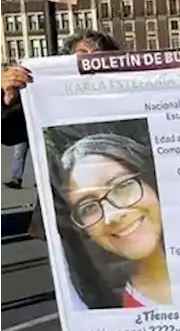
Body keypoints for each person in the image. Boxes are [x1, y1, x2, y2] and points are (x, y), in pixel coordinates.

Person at [0, 30, 127, 331]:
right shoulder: (46, 93)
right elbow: (6, 132)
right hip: (67, 227)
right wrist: (10, 94)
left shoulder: (131, 88)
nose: (85, 62)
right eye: (78, 56)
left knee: (145, 319)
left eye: (95, 56)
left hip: (133, 219)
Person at [52, 132, 169, 309]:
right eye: (88, 208)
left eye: (122, 186)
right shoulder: (103, 309)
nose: (112, 215)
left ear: (151, 180)